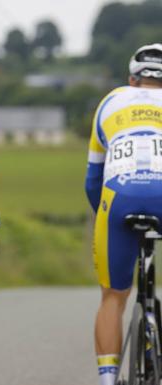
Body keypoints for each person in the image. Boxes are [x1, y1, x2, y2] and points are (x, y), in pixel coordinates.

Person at [86, 43, 162, 385]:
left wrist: (105, 219)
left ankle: (106, 379)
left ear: (133, 79)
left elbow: (93, 179)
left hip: (119, 197)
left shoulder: (110, 101)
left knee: (113, 297)